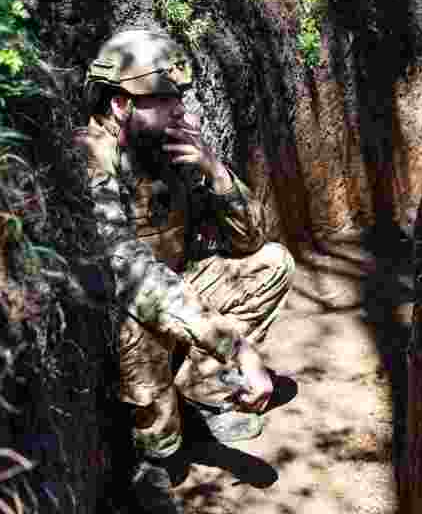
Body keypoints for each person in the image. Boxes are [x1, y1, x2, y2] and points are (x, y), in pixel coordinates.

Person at [76, 29, 295, 475]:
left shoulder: (166, 147)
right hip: (122, 311)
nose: (180, 108)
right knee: (138, 326)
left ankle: (202, 393)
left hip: (177, 289)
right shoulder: (90, 159)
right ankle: (157, 453)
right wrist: (237, 349)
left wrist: (214, 171)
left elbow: (250, 241)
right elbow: (134, 279)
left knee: (272, 263)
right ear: (121, 104)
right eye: (165, 99)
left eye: (181, 97)